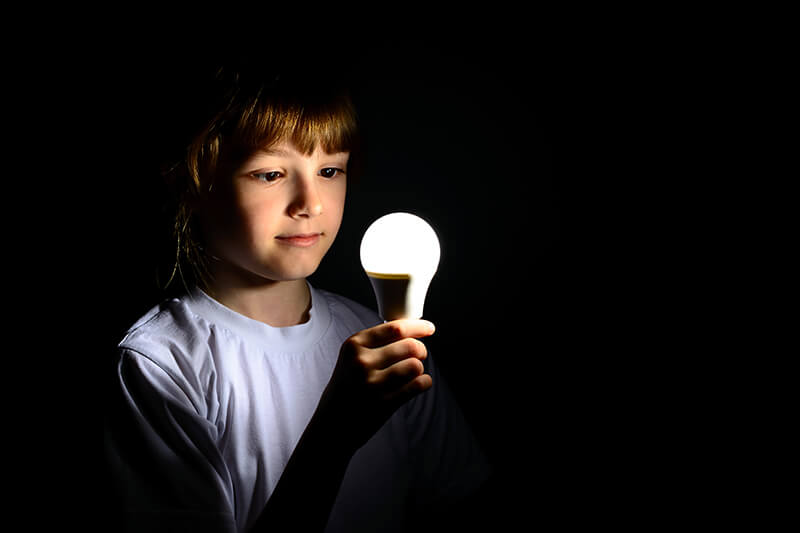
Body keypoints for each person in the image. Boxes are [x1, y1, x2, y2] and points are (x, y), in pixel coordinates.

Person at [103, 59, 491, 532]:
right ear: (194, 182)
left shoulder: (384, 342)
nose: (311, 203)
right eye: (269, 174)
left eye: (330, 169)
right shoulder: (160, 364)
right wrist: (335, 433)